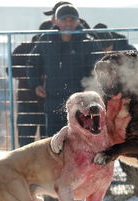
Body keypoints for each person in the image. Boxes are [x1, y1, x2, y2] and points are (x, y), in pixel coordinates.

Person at [28, 4, 102, 136]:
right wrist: (36, 84)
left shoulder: (88, 42)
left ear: (78, 21)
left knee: (81, 140)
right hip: (53, 102)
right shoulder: (46, 40)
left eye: (72, 19)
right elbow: (33, 64)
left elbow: (97, 70)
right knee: (54, 142)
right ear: (55, 20)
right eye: (64, 19)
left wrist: (91, 91)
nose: (68, 23)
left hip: (80, 103)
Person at [9, 20, 52, 146]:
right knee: (26, 142)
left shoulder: (57, 50)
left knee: (48, 143)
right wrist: (32, 75)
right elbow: (11, 70)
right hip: (27, 103)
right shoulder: (23, 48)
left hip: (47, 103)